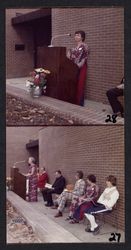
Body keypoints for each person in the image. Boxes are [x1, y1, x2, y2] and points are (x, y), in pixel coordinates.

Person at [67, 30, 89, 106]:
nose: (76, 36)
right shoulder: (73, 48)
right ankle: (73, 101)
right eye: (75, 35)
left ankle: (80, 103)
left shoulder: (84, 46)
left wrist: (77, 67)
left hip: (81, 67)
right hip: (74, 68)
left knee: (80, 85)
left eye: (78, 35)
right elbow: (69, 58)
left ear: (82, 37)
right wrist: (69, 54)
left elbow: (84, 58)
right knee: (73, 84)